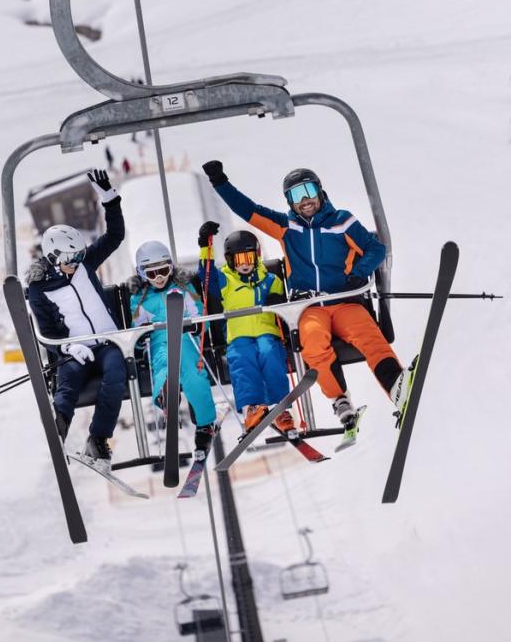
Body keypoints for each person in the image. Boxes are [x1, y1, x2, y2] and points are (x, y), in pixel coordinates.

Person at [201, 161, 413, 430]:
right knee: (312, 345)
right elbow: (249, 210)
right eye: (295, 196)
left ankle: (398, 389)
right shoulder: (287, 227)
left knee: (370, 337)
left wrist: (360, 272)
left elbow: (376, 249)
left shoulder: (342, 222)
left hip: (346, 301)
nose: (304, 201)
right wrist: (220, 182)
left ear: (320, 191)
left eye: (308, 191)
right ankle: (341, 402)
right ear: (289, 202)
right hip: (310, 306)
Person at [26, 169, 127, 463]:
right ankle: (59, 430)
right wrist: (69, 347)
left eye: (80, 255)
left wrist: (109, 199)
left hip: (107, 343)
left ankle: (97, 438)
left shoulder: (85, 266)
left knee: (117, 373)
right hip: (76, 350)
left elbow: (115, 236)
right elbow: (46, 333)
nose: (77, 262)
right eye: (71, 259)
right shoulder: (40, 289)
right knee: (67, 379)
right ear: (54, 258)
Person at [198, 222, 296, 435]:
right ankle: (251, 408)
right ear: (231, 260)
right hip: (238, 333)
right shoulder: (225, 280)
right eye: (238, 259)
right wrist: (205, 245)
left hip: (266, 330)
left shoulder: (271, 280)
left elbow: (283, 306)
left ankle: (280, 408)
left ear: (256, 257)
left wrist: (276, 300)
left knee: (270, 354)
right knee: (243, 360)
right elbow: (205, 277)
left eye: (248, 258)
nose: (244, 264)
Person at [128, 240, 218, 458]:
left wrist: (196, 325)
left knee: (194, 376)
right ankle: (165, 395)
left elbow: (199, 313)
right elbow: (135, 329)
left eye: (163, 271)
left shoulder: (184, 287)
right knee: (163, 367)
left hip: (184, 335)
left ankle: (205, 425)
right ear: (141, 274)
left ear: (171, 267)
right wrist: (142, 335)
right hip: (158, 341)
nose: (159, 277)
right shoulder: (139, 298)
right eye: (152, 274)